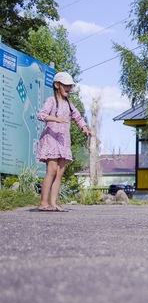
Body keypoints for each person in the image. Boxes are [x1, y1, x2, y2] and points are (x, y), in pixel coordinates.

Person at [35, 72, 91, 212]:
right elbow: (41, 115)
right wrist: (56, 119)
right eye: (65, 85)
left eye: (70, 86)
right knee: (52, 170)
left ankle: (53, 203)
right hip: (51, 138)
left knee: (60, 172)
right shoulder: (51, 101)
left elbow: (78, 117)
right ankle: (43, 203)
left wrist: (84, 128)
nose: (68, 88)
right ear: (57, 85)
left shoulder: (69, 104)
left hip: (63, 141)